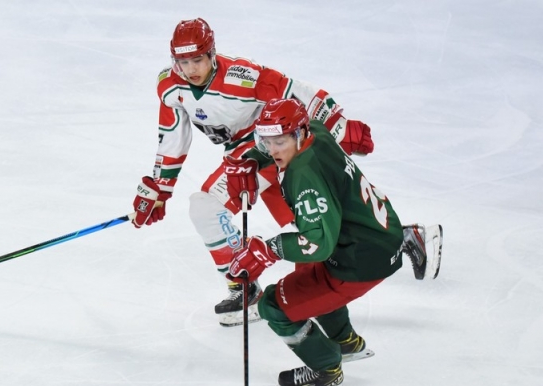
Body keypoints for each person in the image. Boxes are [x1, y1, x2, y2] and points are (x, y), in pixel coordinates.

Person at [130, 18, 441, 328]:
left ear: (212, 53)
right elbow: (172, 135)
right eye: (182, 62)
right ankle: (403, 237)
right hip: (242, 156)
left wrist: (338, 124)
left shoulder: (241, 76)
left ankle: (244, 288)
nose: (190, 70)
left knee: (209, 209)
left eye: (197, 60)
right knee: (307, 220)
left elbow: (294, 90)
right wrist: (159, 188)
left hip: (271, 147)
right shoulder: (170, 85)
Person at [226, 98, 404, 386]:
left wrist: (269, 249)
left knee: (273, 305)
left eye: (279, 142)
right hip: (380, 233)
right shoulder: (316, 131)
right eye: (266, 142)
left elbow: (318, 245)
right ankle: (346, 342)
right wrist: (253, 160)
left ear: (298, 134)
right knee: (307, 273)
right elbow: (277, 147)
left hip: (361, 260)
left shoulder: (304, 176)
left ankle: (327, 368)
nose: (273, 150)